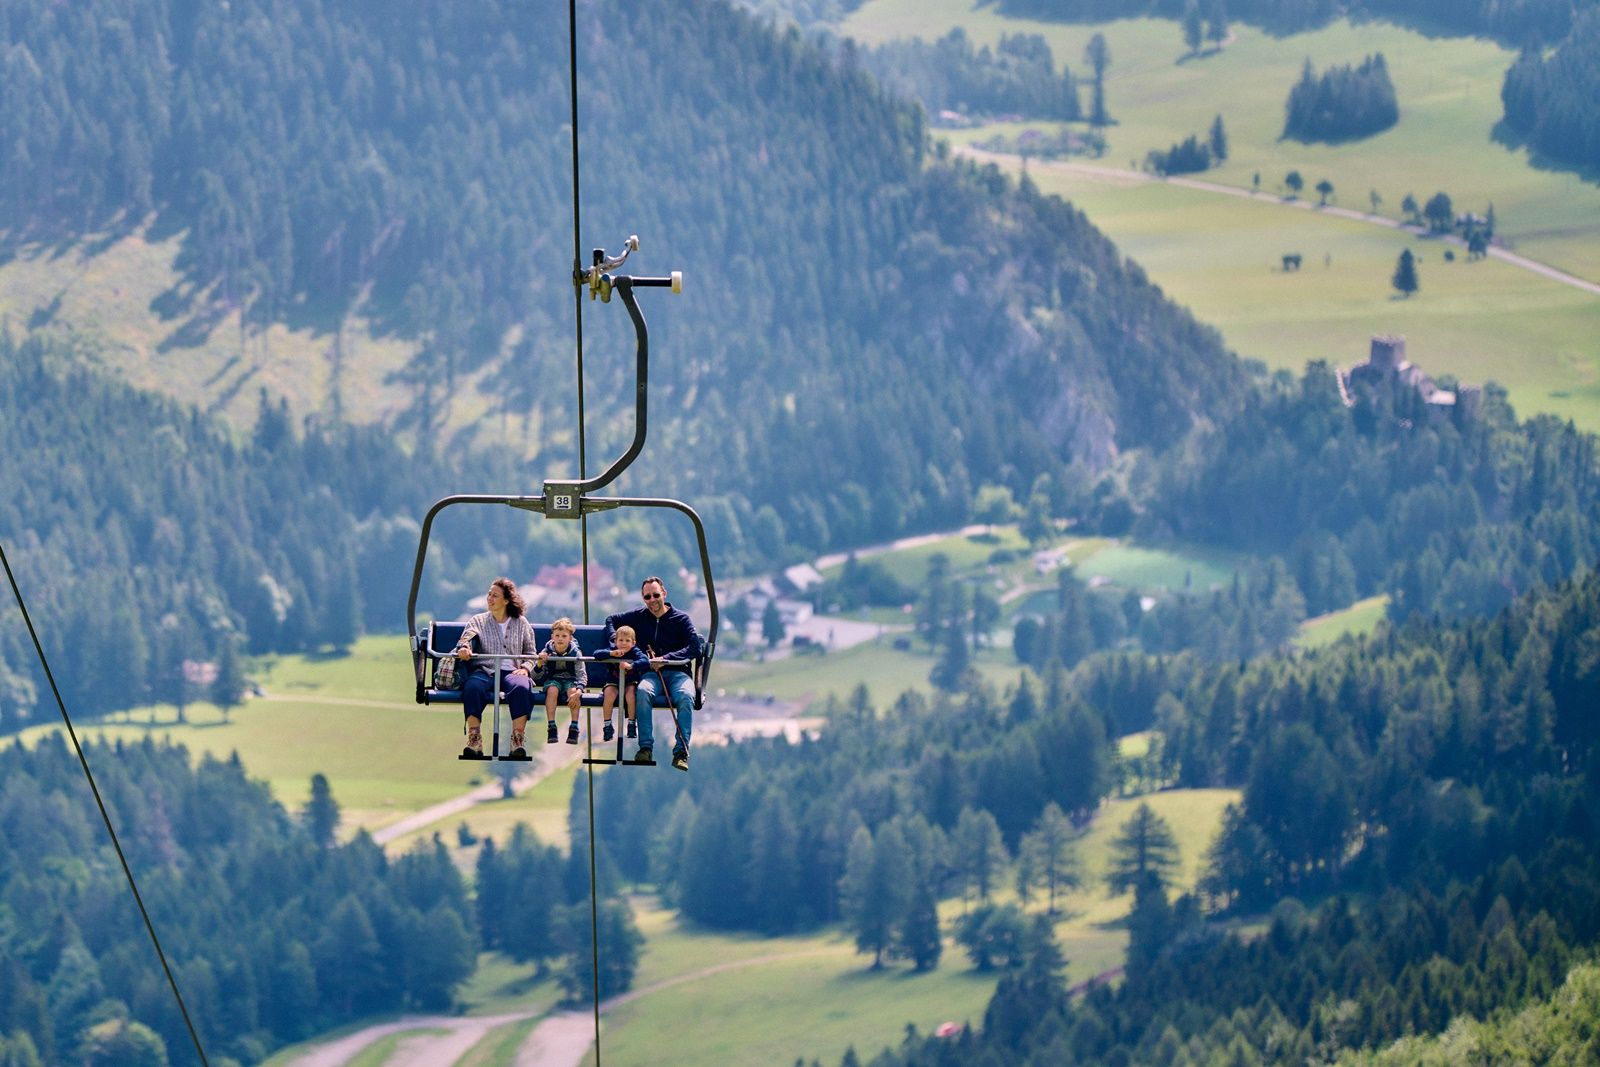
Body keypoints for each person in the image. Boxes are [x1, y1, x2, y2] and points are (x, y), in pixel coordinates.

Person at [605, 576, 702, 771]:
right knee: (643, 692)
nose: (652, 600)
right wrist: (614, 641)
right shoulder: (639, 617)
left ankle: (681, 752)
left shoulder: (681, 619)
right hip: (650, 674)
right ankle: (645, 748)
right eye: (647, 597)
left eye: (656, 595)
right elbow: (611, 620)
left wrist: (666, 658)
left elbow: (695, 648)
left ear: (664, 594)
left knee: (685, 696)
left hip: (677, 673)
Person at [454, 577, 539, 758]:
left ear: (506, 601)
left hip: (512, 671)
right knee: (473, 687)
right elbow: (465, 641)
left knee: (522, 687)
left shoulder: (521, 623)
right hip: (485, 670)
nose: (490, 599)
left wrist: (525, 668)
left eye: (495, 596)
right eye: (489, 594)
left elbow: (532, 653)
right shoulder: (478, 620)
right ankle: (474, 739)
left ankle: (517, 740)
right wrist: (464, 650)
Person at [533, 617, 587, 745]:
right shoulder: (546, 652)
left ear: (570, 638)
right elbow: (534, 676)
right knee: (552, 691)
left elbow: (581, 674)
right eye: (557, 635)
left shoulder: (576, 653)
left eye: (564, 636)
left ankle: (574, 726)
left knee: (573, 693)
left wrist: (580, 689)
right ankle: (551, 725)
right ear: (552, 637)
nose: (560, 639)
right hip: (553, 680)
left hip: (570, 680)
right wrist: (539, 663)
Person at [598, 625, 650, 746]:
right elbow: (597, 654)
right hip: (613, 681)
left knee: (631, 695)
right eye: (620, 640)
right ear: (615, 641)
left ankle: (632, 723)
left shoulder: (635, 652)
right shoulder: (612, 650)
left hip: (629, 682)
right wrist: (611, 653)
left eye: (627, 641)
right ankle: (607, 725)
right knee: (609, 695)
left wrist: (631, 665)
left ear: (633, 643)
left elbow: (645, 661)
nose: (624, 643)